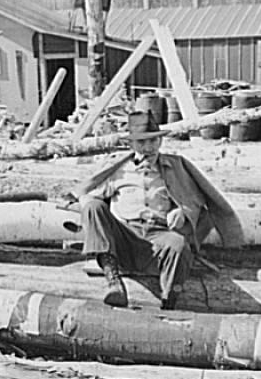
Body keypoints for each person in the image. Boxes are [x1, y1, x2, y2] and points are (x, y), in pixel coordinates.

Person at [69, 111, 244, 310]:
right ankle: (114, 282)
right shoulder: (118, 170)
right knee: (93, 206)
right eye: (142, 143)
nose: (149, 148)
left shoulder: (175, 166)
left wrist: (182, 211)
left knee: (178, 243)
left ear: (160, 141)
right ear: (131, 145)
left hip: (158, 238)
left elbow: (198, 201)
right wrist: (85, 206)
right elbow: (87, 196)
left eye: (153, 141)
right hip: (124, 239)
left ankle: (169, 301)